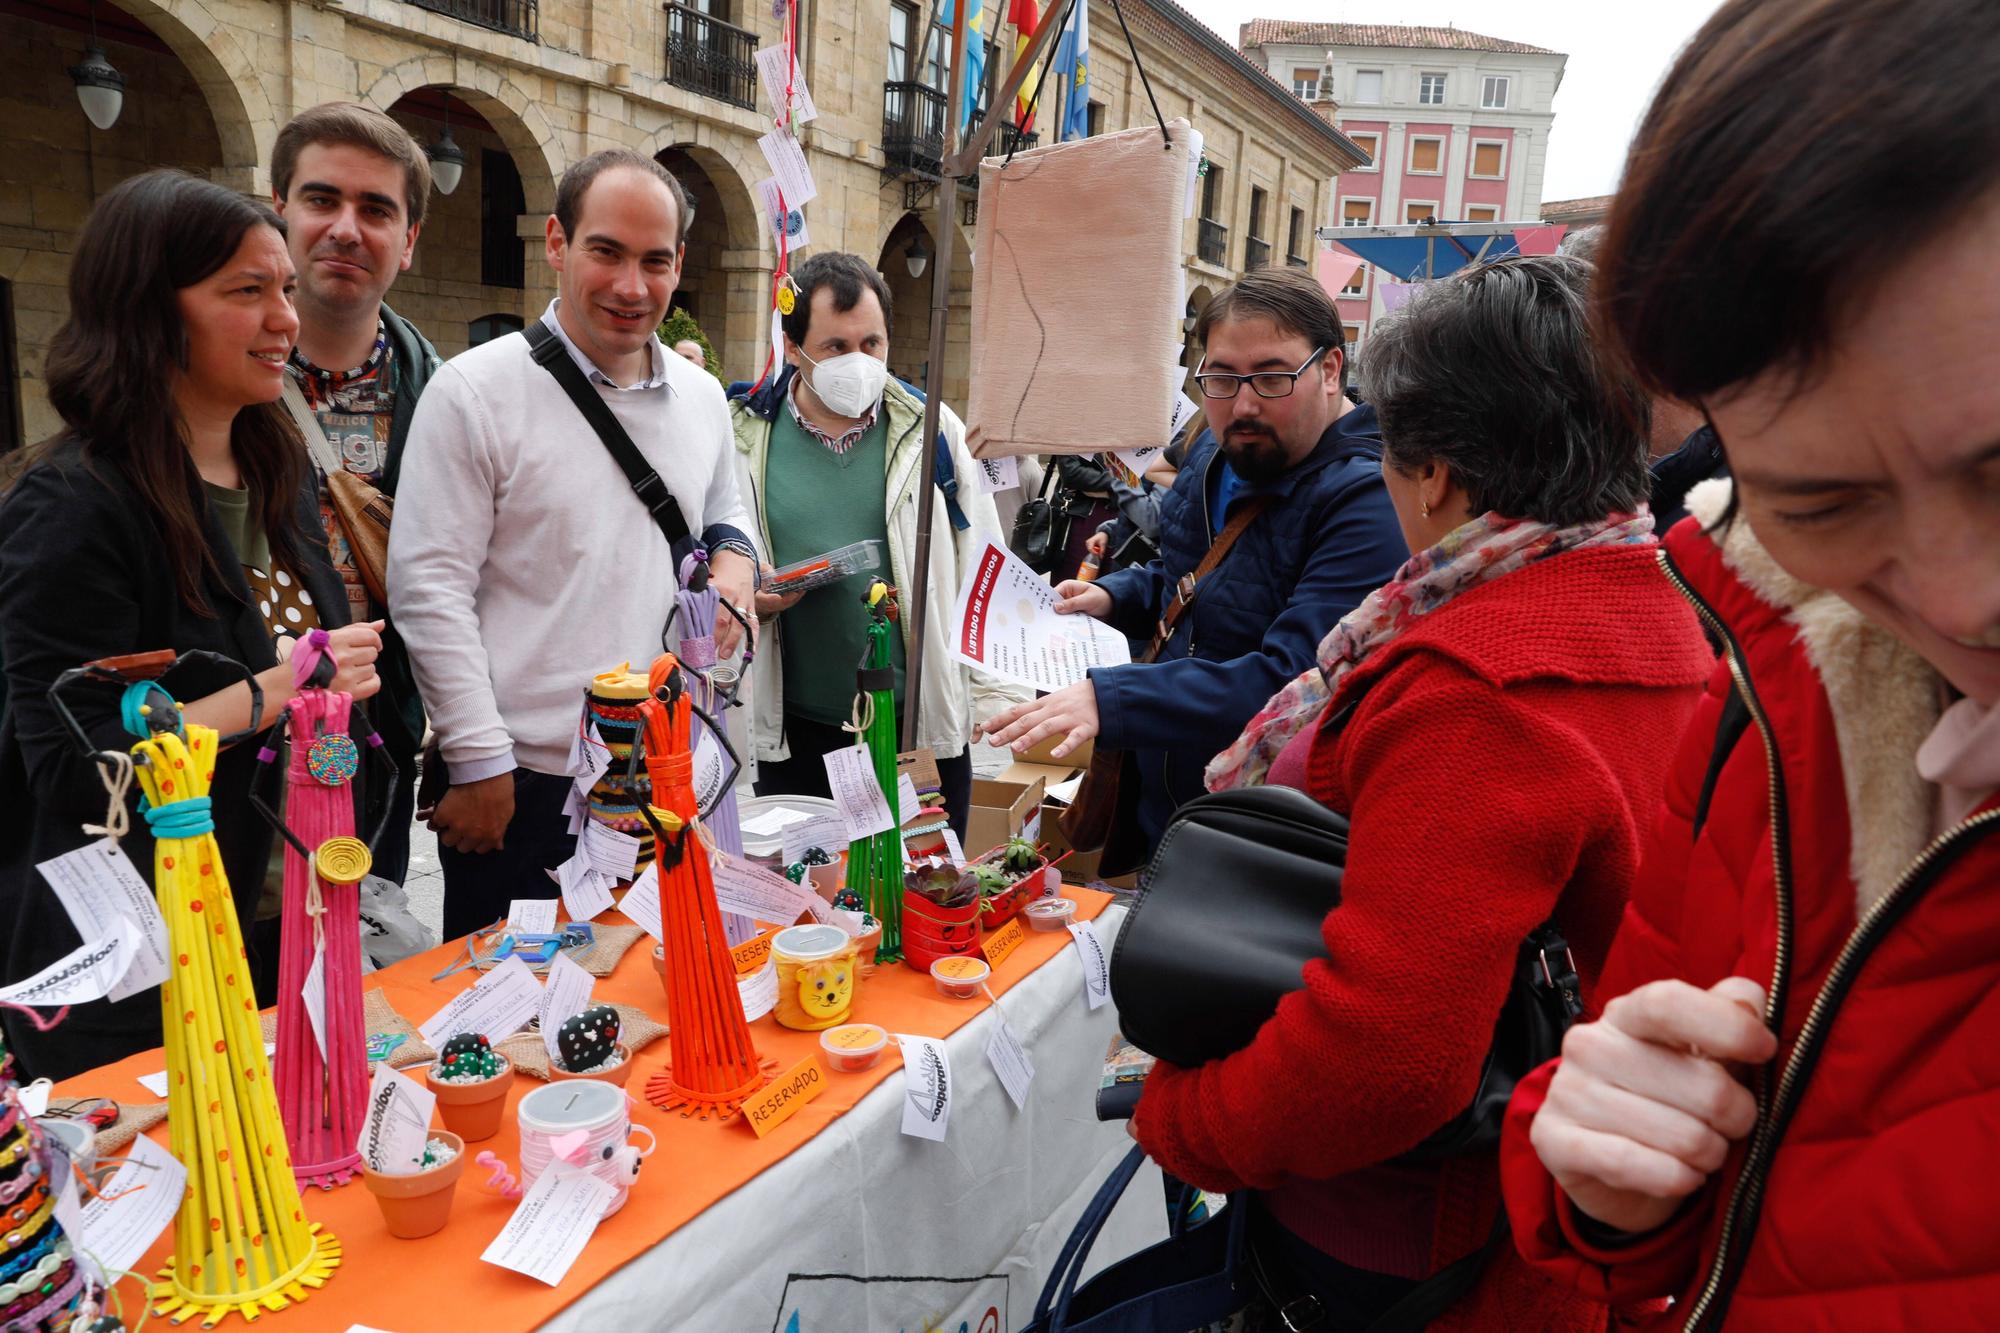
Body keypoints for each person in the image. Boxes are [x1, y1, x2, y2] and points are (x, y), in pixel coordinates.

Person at [1504, 1, 2000, 1327]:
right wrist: (1613, 1183)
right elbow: (1630, 1142)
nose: (1957, 595)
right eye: (1825, 504)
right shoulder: (1783, 694)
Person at [1133, 256, 1712, 1331]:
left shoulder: (1478, 686)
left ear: (1435, 473)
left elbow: (1385, 1059)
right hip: (1558, 1212)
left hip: (1418, 1245)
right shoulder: (1661, 611)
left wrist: (1186, 1116)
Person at [0, 171, 381, 1078]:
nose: (285, 318)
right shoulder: (73, 505)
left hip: (286, 931)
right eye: (246, 292)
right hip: (145, 969)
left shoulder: (273, 471)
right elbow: (73, 772)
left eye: (283, 288)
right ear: (148, 312)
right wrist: (274, 692)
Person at [390, 150, 758, 938]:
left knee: (653, 1004)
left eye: (655, 260)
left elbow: (728, 510)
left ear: (679, 264)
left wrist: (735, 565)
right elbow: (430, 589)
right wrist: (482, 763)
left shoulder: (701, 399)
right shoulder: (473, 392)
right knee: (504, 1028)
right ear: (557, 241)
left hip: (664, 771)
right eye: (607, 251)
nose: (632, 286)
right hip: (523, 786)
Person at [982, 265, 1407, 861]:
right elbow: (1192, 572)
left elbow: (1295, 681)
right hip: (1167, 797)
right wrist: (1118, 594)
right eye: (1222, 378)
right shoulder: (1215, 446)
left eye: (1273, 377)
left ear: (1331, 369)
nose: (1244, 405)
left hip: (1262, 830)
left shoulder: (1369, 499)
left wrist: (1114, 699)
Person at [728, 252, 1023, 836]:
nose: (859, 363)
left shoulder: (933, 429)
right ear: (793, 348)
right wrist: (747, 593)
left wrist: (997, 697)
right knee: (814, 904)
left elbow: (984, 564)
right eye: (837, 347)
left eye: (872, 344)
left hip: (914, 730)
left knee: (924, 900)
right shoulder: (740, 433)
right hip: (792, 737)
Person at [267, 101, 439, 901]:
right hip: (237, 737)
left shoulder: (442, 392)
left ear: (408, 243)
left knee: (357, 958)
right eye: (322, 199)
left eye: (376, 209)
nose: (346, 227)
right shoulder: (206, 381)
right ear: (280, 210)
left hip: (377, 736)